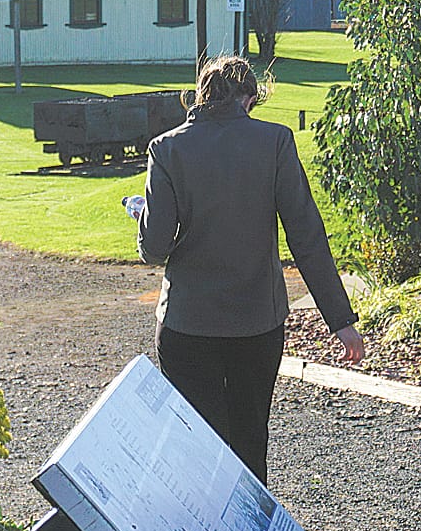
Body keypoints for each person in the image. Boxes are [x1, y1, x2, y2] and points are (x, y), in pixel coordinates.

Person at [138, 55, 363, 484]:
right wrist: (340, 320)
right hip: (257, 324)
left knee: (198, 449)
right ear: (249, 99)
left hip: (189, 323)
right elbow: (307, 237)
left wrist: (143, 217)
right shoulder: (275, 142)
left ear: (201, 96)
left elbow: (154, 248)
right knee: (248, 444)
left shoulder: (166, 149)